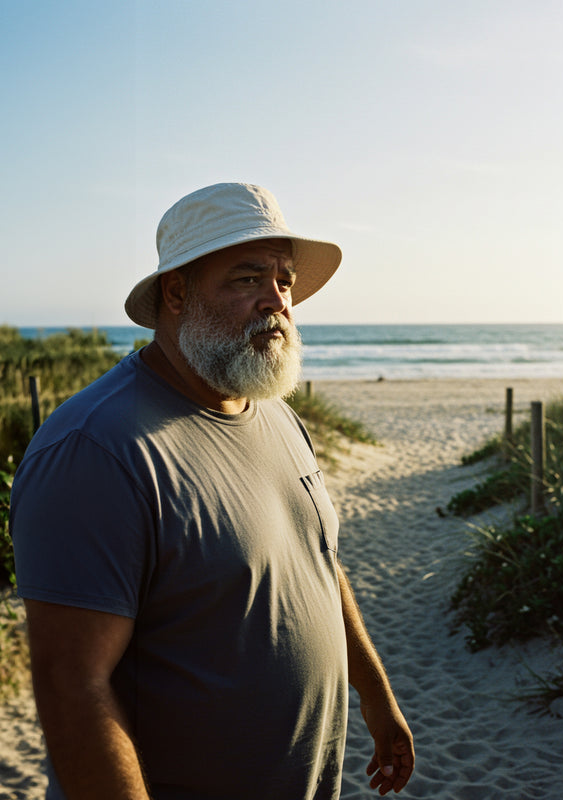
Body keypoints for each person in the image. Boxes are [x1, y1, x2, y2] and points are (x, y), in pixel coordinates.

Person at [10, 182, 414, 800]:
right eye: (247, 279)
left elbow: (318, 561)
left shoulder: (272, 409)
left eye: (283, 280)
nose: (275, 301)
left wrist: (376, 695)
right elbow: (73, 690)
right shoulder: (98, 450)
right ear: (176, 292)